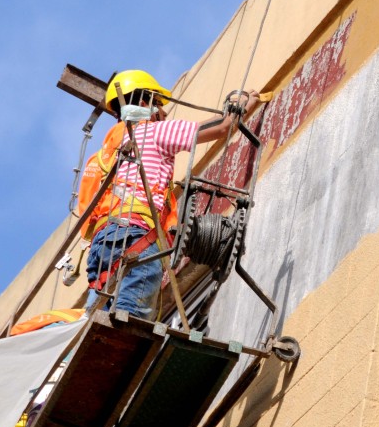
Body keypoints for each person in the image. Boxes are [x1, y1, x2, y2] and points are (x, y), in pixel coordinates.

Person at [84, 69, 258, 320]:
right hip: (135, 236)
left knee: (96, 315)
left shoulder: (108, 154)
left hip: (102, 246)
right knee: (128, 321)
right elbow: (223, 126)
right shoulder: (152, 131)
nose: (164, 114)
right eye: (160, 106)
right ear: (145, 103)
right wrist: (246, 102)